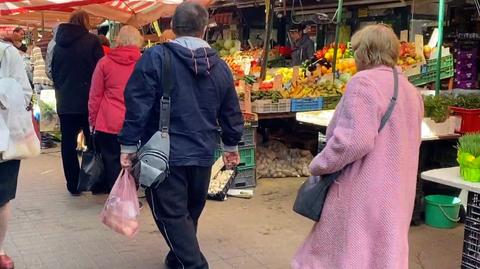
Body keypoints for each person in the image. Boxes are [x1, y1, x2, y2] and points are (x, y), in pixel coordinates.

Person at [118, 3, 244, 268]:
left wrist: (128, 145)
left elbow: (137, 102)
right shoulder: (220, 66)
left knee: (173, 215)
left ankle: (194, 264)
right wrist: (231, 145)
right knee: (188, 213)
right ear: (204, 29)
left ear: (173, 27)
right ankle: (178, 258)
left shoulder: (156, 58)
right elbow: (231, 110)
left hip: (165, 156)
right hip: (202, 154)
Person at [292, 24, 423, 269]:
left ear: (364, 53)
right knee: (384, 254)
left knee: (346, 255)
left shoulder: (363, 84)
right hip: (397, 191)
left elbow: (353, 141)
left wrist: (319, 164)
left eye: (355, 51)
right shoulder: (409, 89)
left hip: (362, 191)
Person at [51, 10, 104, 195]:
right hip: (89, 101)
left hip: (65, 102)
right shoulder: (93, 41)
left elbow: (54, 73)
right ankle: (95, 181)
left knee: (68, 144)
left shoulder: (57, 45)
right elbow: (100, 71)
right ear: (86, 22)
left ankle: (73, 185)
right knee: (93, 143)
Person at [88, 26, 143, 193]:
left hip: (108, 120)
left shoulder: (104, 62)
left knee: (112, 160)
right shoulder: (143, 63)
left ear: (118, 39)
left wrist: (92, 120)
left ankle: (117, 197)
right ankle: (131, 197)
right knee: (135, 159)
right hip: (135, 120)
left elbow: (95, 95)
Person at [0, 39, 33, 269]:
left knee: (1, 198)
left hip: (5, 140)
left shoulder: (7, 53)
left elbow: (25, 94)